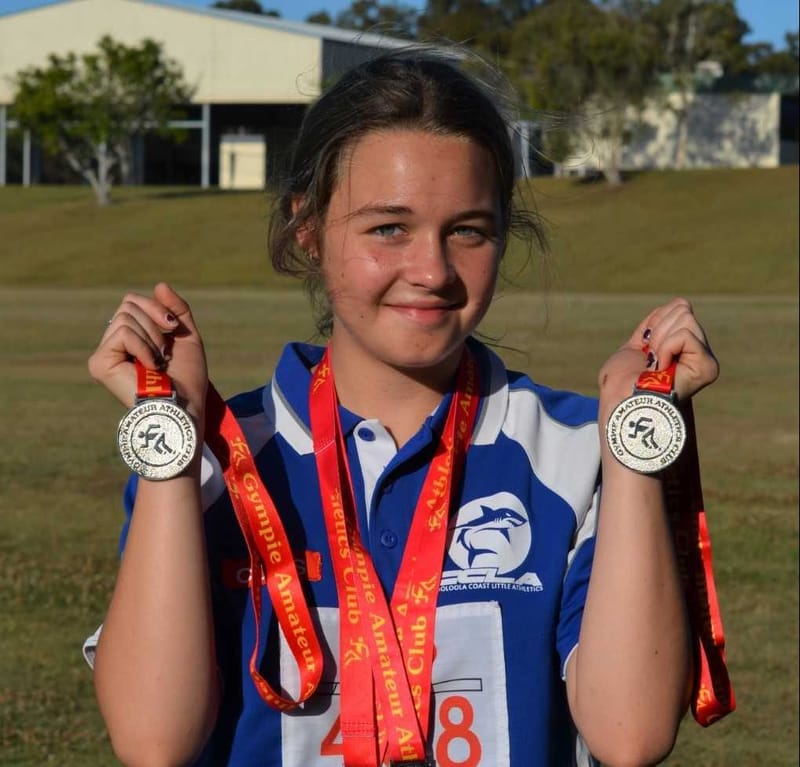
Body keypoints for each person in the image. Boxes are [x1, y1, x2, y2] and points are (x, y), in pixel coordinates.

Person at [85, 49, 719, 767]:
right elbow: (151, 740)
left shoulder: (577, 450)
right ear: (308, 229)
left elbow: (630, 734)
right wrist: (172, 433)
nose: (432, 270)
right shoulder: (218, 458)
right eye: (388, 228)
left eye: (468, 230)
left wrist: (634, 440)